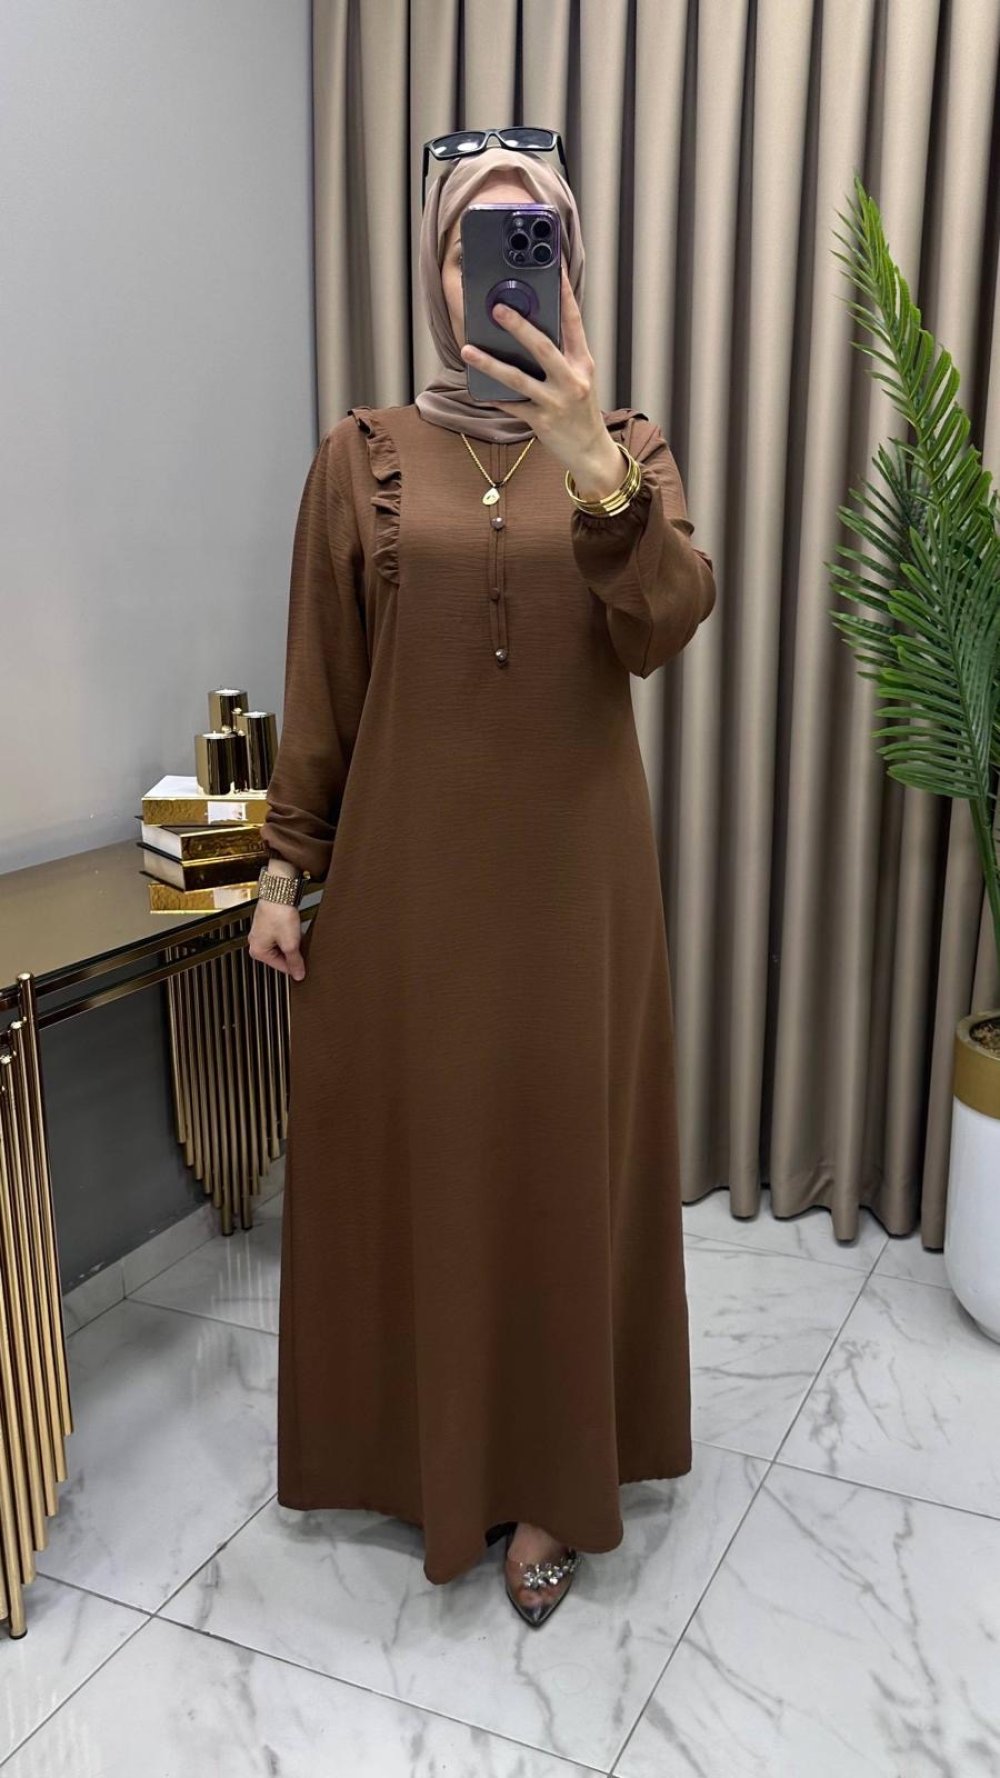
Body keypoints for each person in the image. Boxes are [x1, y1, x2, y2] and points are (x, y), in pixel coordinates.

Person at [248, 140, 717, 1630]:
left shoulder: (627, 445)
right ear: (438, 273)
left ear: (568, 269)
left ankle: (551, 1482)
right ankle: (428, 1454)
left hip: (577, 895)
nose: (499, 269)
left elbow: (665, 624)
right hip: (409, 889)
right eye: (473, 245)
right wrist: (285, 865)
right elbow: (323, 680)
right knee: (430, 1160)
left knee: (557, 1168)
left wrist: (597, 470)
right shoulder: (363, 453)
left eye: (531, 242)